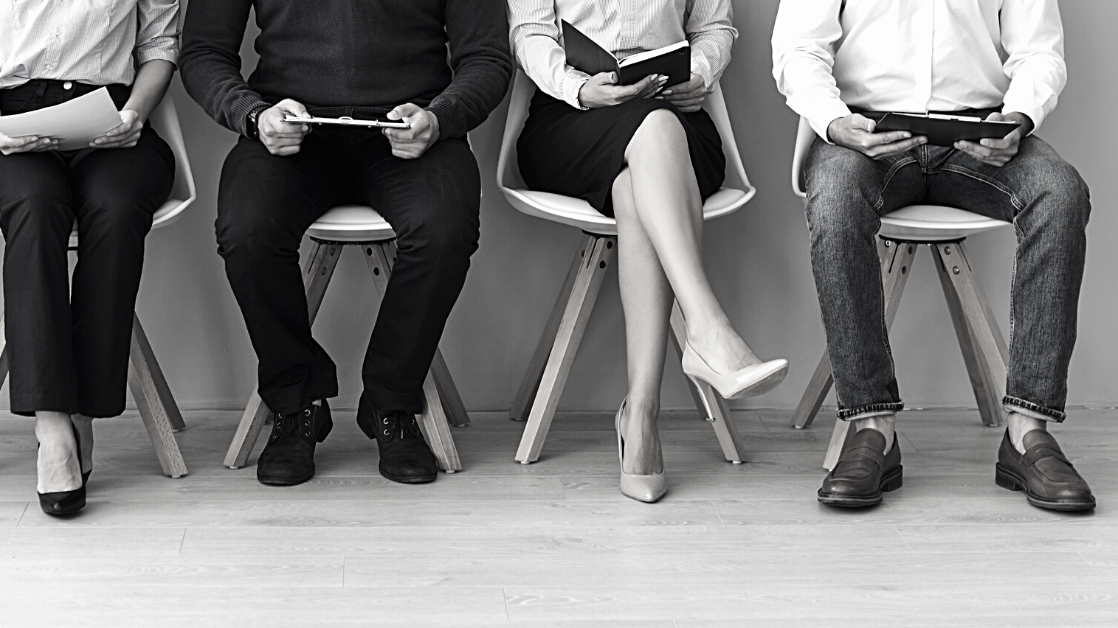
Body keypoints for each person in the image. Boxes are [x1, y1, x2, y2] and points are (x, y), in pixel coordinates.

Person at [773, 0, 1094, 511]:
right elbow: (798, 49)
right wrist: (835, 122)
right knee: (833, 202)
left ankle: (1027, 433)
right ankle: (870, 425)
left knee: (1061, 195)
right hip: (867, 134)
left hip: (978, 135)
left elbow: (1039, 52)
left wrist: (1019, 116)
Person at [179, 0, 511, 487]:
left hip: (412, 127)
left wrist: (440, 117)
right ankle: (296, 403)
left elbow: (487, 57)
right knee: (247, 231)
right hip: (291, 129)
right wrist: (253, 116)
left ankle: (391, 401)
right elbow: (203, 51)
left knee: (445, 229)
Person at [509, 0, 789, 503]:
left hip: (676, 123)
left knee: (635, 178)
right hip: (573, 119)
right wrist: (578, 87)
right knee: (647, 143)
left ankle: (640, 415)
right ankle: (706, 329)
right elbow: (529, 32)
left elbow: (715, 28)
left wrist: (699, 73)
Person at [0, 0, 180, 515]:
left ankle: (84, 414)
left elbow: (160, 45)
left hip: (114, 118)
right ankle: (52, 427)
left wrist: (135, 114)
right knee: (34, 205)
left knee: (118, 208)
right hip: (11, 116)